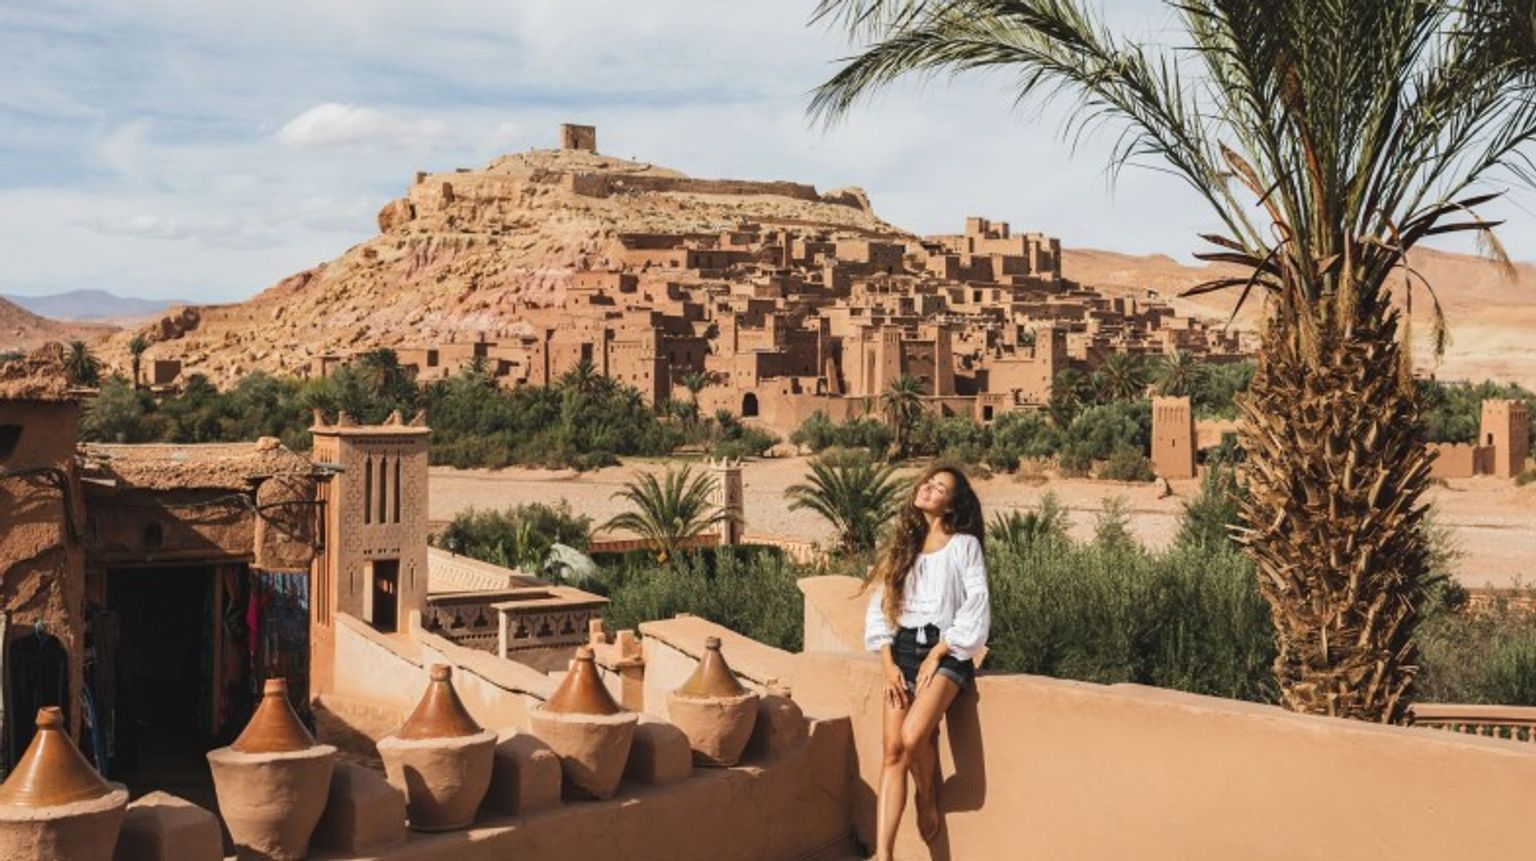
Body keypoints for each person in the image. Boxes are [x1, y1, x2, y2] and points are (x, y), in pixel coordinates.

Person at [863, 464, 990, 858]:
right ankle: (884, 855)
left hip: (947, 649)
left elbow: (976, 604)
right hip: (900, 649)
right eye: (928, 483)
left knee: (913, 736)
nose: (928, 489)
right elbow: (881, 607)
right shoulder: (903, 547)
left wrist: (940, 651)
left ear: (951, 505)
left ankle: (928, 793)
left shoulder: (964, 545)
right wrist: (887, 664)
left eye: (940, 487)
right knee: (892, 752)